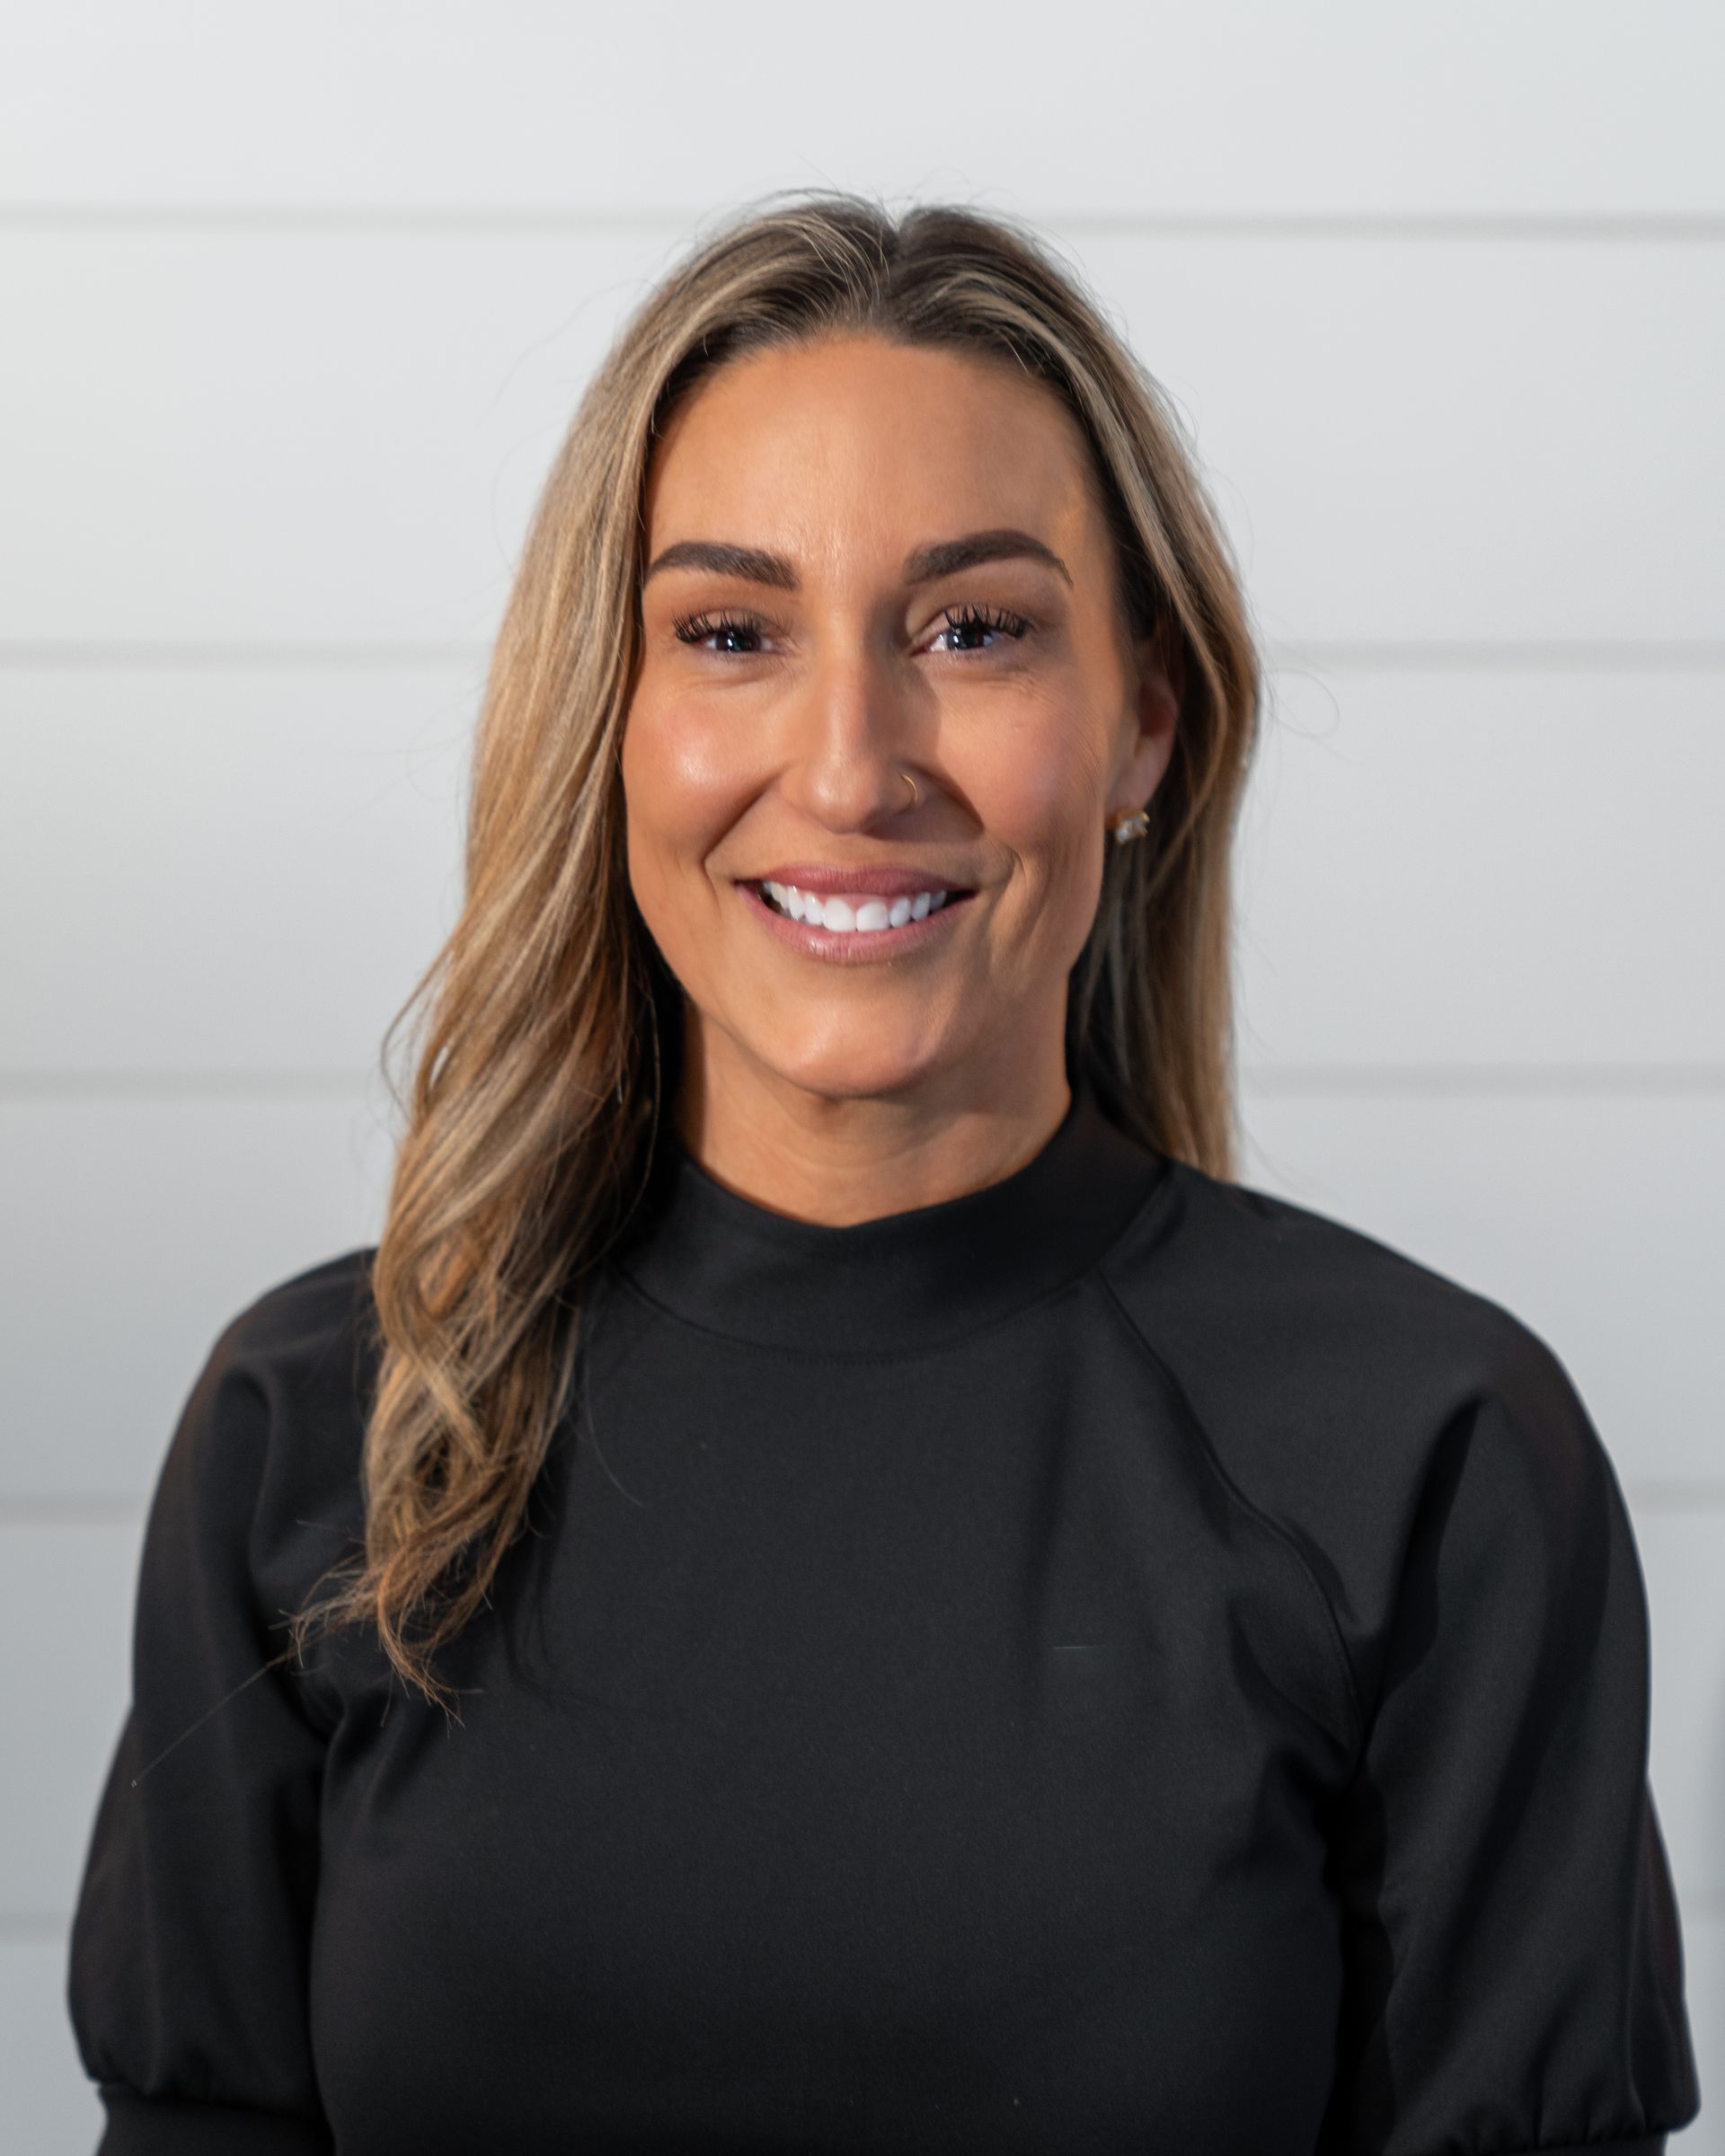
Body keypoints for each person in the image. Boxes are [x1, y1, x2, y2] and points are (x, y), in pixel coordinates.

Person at [66, 192, 1701, 2154]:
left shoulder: (1431, 1459)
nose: (850, 767)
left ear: (1144, 723)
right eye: (731, 633)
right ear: (611, 721)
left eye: (975, 630)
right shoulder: (324, 1431)